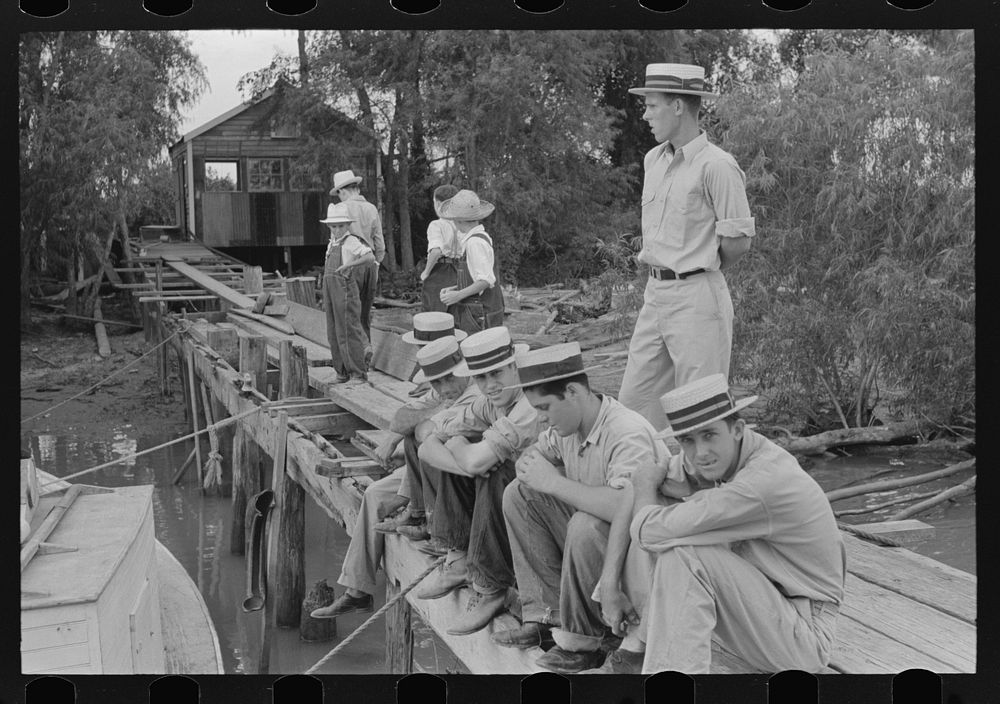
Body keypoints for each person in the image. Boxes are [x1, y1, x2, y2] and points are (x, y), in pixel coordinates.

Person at [586, 374, 845, 674]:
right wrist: (609, 585)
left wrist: (644, 486)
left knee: (683, 554)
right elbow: (641, 481)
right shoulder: (728, 456)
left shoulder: (761, 483)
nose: (700, 453)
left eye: (709, 435)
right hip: (767, 610)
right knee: (660, 509)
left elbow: (648, 530)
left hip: (805, 635)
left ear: (737, 429)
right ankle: (635, 648)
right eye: (687, 441)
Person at [491, 342, 677, 673]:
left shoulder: (625, 431)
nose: (541, 418)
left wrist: (554, 482)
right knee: (519, 494)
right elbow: (530, 464)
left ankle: (585, 641)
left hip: (645, 560)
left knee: (585, 522)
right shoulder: (564, 427)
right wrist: (541, 473)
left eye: (545, 407)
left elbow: (627, 507)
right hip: (599, 546)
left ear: (573, 391)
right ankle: (549, 617)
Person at [617, 63, 756, 430]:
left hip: (697, 296)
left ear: (678, 106)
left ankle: (708, 486)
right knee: (633, 409)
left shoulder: (718, 166)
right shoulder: (653, 160)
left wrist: (695, 270)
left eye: (651, 105)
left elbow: (738, 243)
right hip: (655, 296)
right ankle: (645, 485)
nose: (645, 115)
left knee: (701, 411)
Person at [309, 333, 478, 621]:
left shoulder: (475, 393)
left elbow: (426, 433)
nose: (443, 387)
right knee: (374, 494)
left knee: (417, 443)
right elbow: (403, 417)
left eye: (447, 379)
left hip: (455, 479)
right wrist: (394, 441)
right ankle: (356, 592)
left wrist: (413, 431)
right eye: (436, 381)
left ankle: (425, 520)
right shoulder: (442, 387)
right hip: (425, 469)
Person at [413, 326, 539, 636]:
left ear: (514, 365)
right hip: (518, 499)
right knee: (462, 457)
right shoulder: (491, 402)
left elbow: (477, 462)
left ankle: (492, 584)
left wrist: (459, 448)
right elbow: (427, 443)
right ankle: (459, 557)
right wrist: (461, 459)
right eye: (481, 378)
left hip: (547, 501)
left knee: (493, 470)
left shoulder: (529, 403)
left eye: (496, 373)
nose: (489, 385)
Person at [372, 314, 470, 543]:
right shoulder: (443, 380)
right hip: (447, 457)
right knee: (412, 441)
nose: (420, 353)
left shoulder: (469, 386)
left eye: (424, 347)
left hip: (467, 471)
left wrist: (427, 416)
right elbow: (400, 420)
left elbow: (425, 432)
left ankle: (440, 530)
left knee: (424, 443)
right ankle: (419, 515)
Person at [331, 169, 385, 365]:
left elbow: (336, 241)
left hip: (350, 264)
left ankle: (357, 356)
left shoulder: (340, 209)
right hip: (370, 263)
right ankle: (366, 359)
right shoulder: (371, 208)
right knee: (364, 314)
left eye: (338, 193)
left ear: (343, 191)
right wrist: (376, 265)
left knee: (348, 314)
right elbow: (380, 244)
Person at [437, 190, 505, 334]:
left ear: (459, 220)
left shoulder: (475, 243)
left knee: (479, 353)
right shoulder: (476, 239)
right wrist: (456, 288)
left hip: (481, 313)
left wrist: (458, 295)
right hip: (476, 310)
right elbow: (476, 277)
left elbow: (485, 281)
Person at [320, 203, 373, 384]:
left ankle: (358, 373)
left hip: (345, 289)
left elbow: (370, 257)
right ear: (329, 227)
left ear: (347, 225)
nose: (337, 230)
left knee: (349, 330)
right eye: (333, 226)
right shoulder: (331, 243)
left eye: (341, 226)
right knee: (333, 330)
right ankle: (341, 372)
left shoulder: (351, 241)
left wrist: (349, 265)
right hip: (330, 289)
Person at [419, 184, 463, 313]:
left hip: (441, 272)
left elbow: (436, 250)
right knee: (456, 313)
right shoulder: (462, 224)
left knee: (434, 315)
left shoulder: (437, 225)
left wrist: (426, 272)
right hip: (460, 270)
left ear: (438, 203)